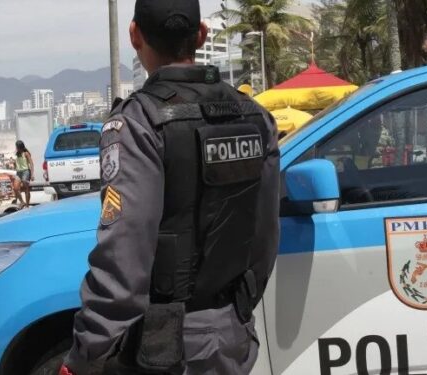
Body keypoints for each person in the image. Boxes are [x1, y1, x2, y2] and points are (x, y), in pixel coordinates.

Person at [60, 1, 280, 374]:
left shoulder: (140, 122)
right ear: (201, 35)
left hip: (165, 346)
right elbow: (265, 235)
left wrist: (85, 353)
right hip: (232, 335)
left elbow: (124, 261)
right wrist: (236, 308)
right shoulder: (255, 116)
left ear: (134, 35)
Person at [13, 140, 34, 208]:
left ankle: (27, 205)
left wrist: (32, 174)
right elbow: (15, 162)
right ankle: (22, 202)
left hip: (26, 171)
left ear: (20, 146)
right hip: (18, 172)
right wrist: (15, 165)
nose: (16, 148)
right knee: (15, 188)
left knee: (26, 188)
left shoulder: (26, 153)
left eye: (17, 146)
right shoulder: (16, 153)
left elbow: (31, 164)